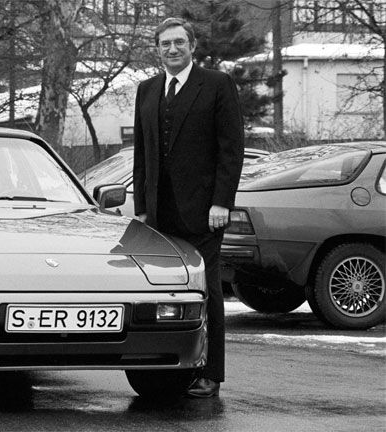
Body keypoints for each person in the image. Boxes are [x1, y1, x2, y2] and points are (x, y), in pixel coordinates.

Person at [132, 17, 244, 398]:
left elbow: (232, 150)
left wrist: (221, 202)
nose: (172, 49)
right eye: (165, 44)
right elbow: (142, 154)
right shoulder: (147, 90)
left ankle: (210, 372)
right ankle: (163, 367)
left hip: (203, 212)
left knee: (206, 291)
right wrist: (143, 208)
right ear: (158, 49)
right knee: (164, 292)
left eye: (179, 42)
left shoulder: (216, 85)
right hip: (159, 216)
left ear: (192, 45)